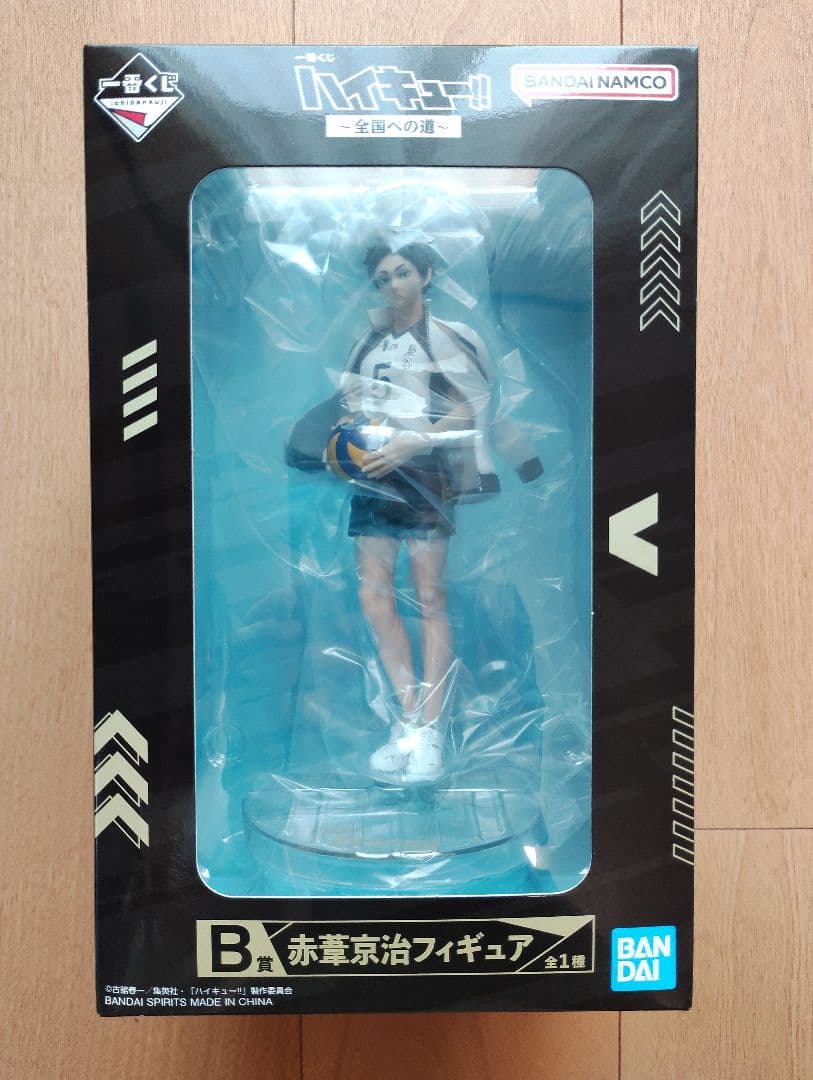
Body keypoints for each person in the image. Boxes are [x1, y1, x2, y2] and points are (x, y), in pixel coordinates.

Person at [337, 240, 498, 783]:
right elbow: (351, 401)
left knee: (429, 595)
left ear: (426, 275)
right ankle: (408, 718)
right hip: (375, 474)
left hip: (426, 474)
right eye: (383, 277)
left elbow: (469, 406)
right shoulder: (368, 342)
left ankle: (433, 727)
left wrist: (415, 440)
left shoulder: (445, 335)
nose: (393, 284)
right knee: (374, 595)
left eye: (403, 272)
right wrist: (351, 436)